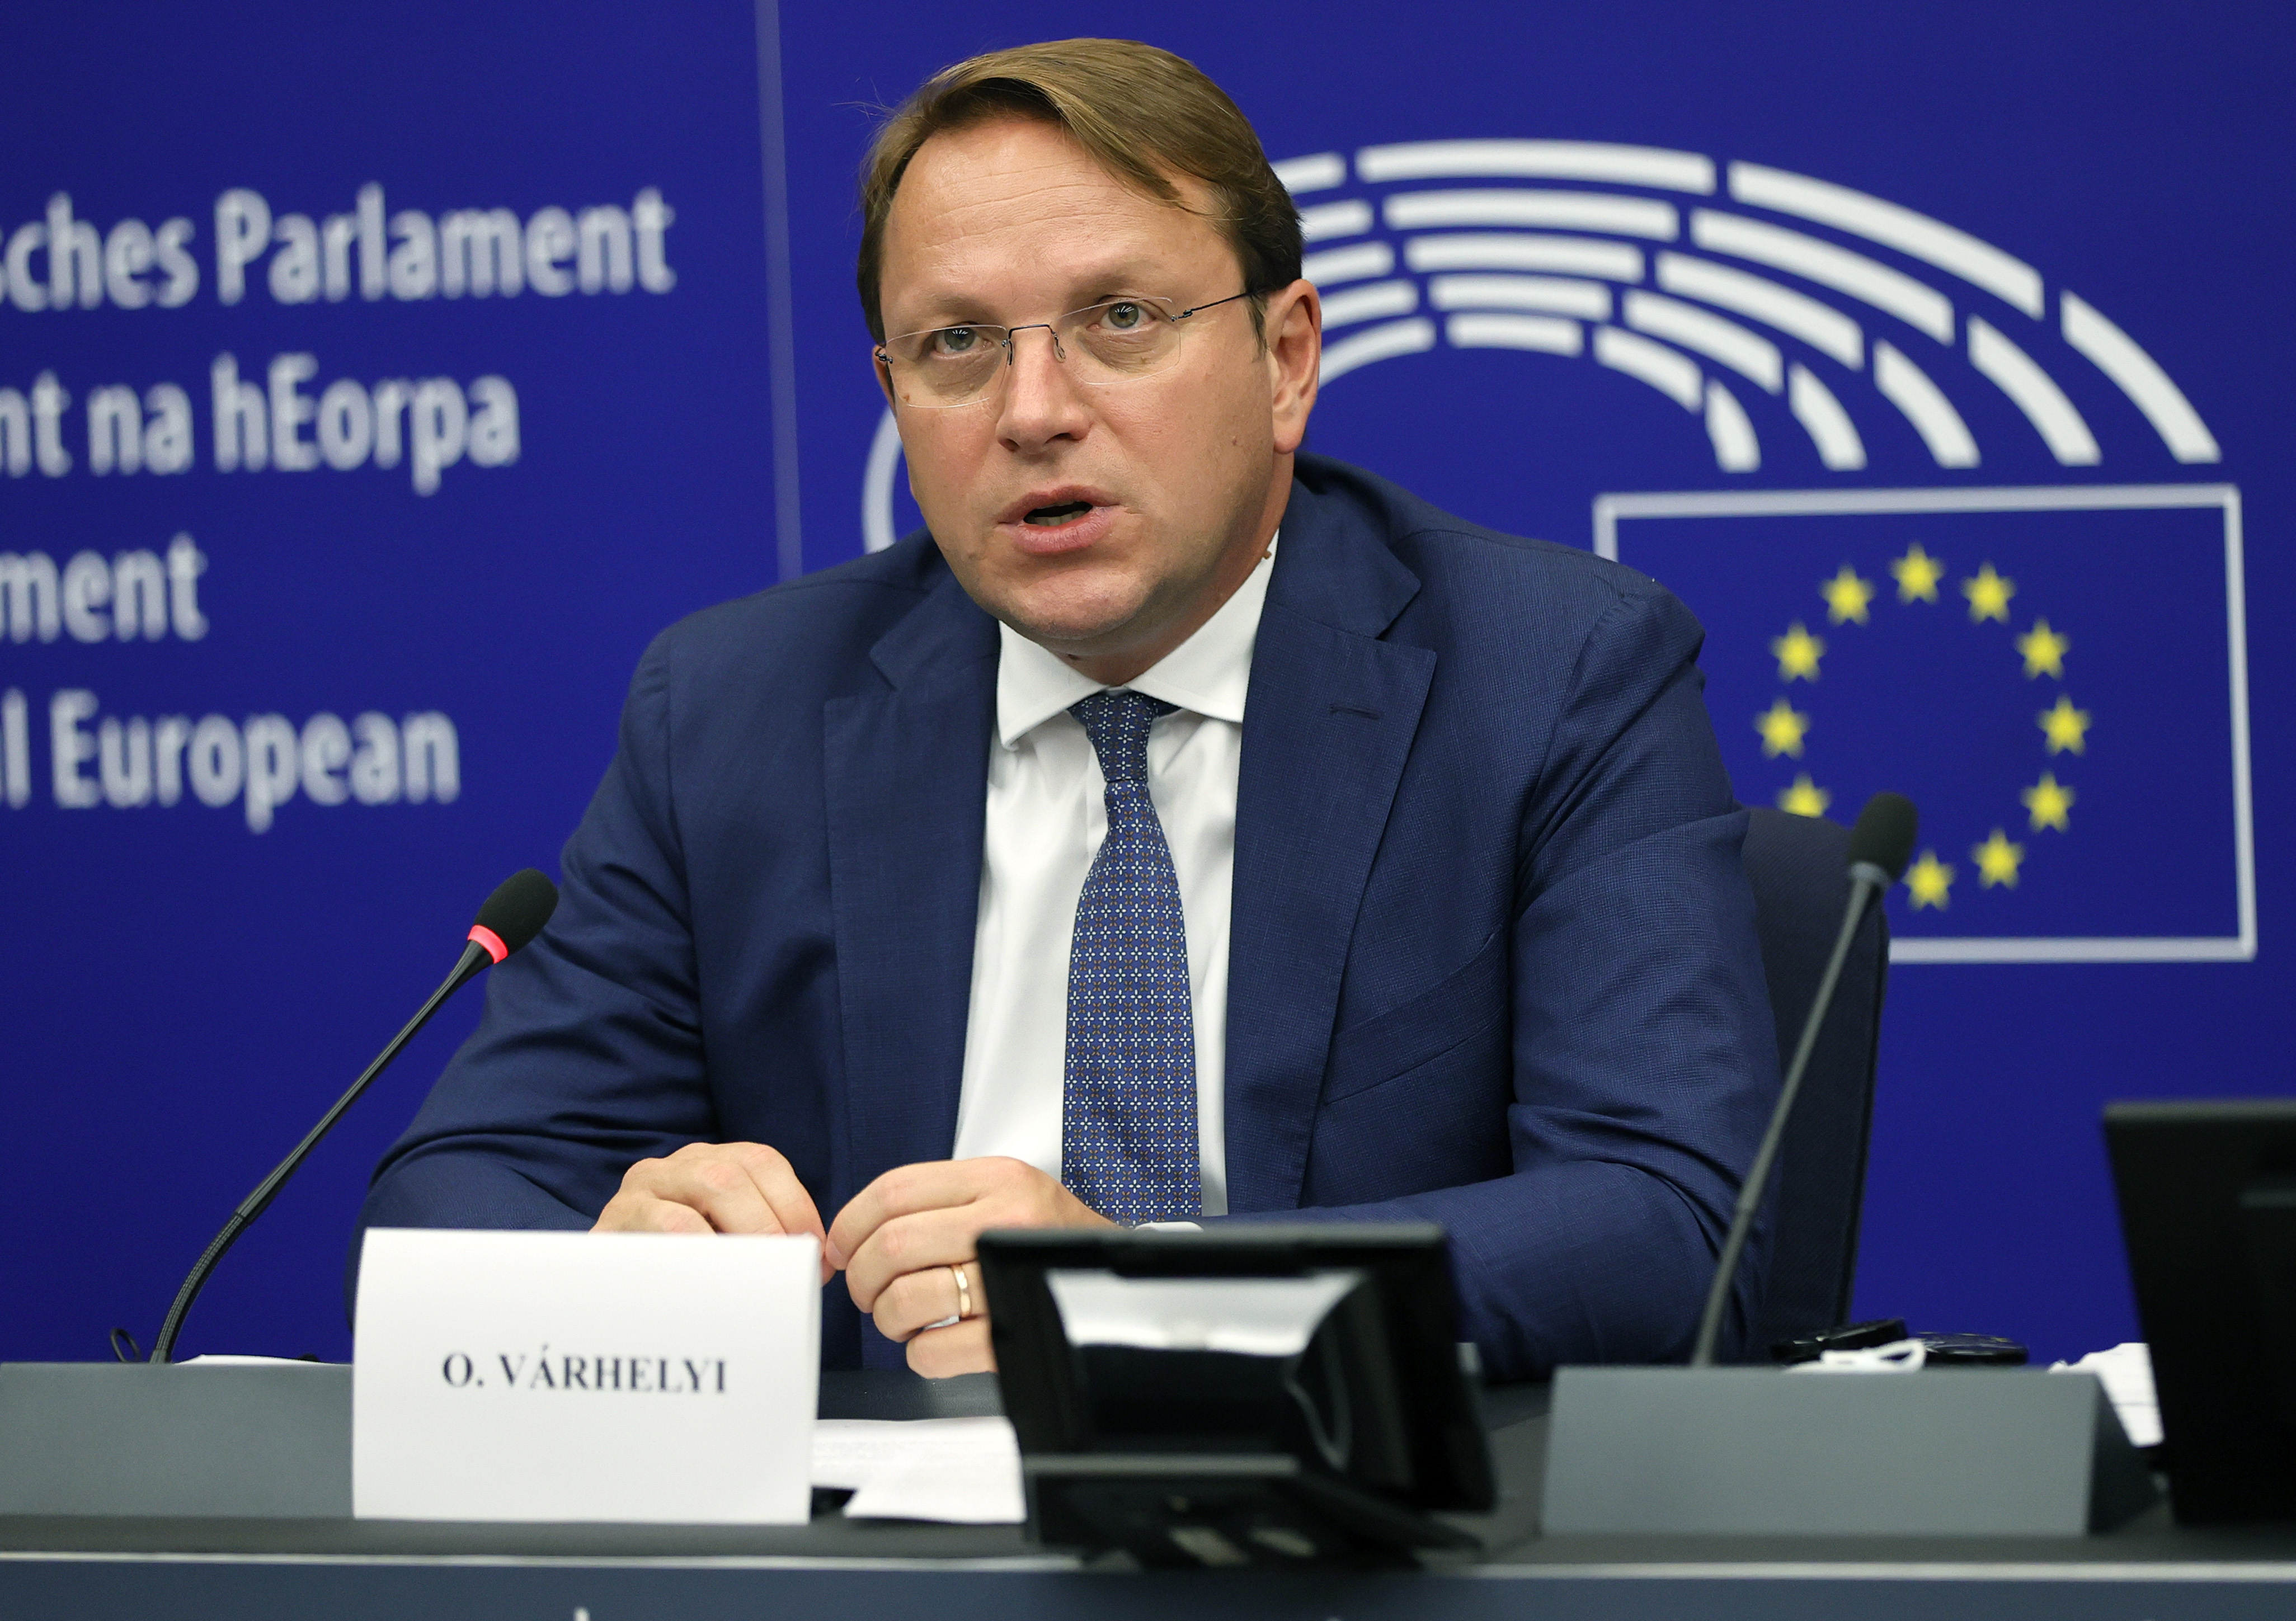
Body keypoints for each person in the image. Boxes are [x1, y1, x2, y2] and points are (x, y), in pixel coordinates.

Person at [352, 39, 1779, 1380]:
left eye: (1120, 319)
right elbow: (453, 1194)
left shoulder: (1549, 672)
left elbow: (1667, 1228)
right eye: (957, 344)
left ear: (1285, 361)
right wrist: (616, 1263)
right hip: (862, 1583)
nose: (1032, 408)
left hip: (1360, 1572)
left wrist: (1131, 1295)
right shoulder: (735, 710)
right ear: (893, 394)